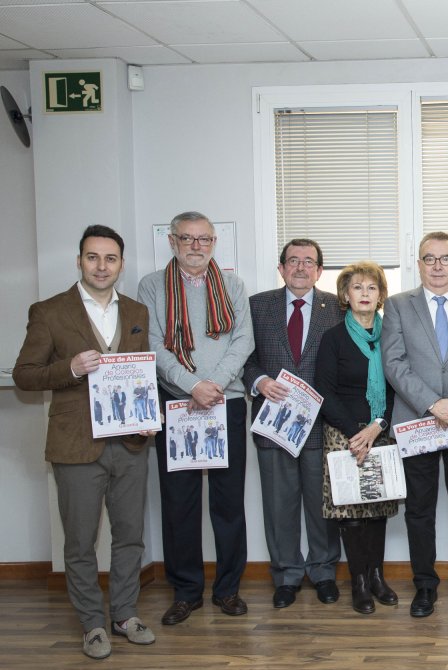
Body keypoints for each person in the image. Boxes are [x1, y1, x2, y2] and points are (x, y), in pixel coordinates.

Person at [13, 226, 156, 659]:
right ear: (79, 261)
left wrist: (147, 414)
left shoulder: (136, 310)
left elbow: (139, 373)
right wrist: (70, 368)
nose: (101, 266)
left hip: (131, 443)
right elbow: (25, 375)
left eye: (110, 259)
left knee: (130, 536)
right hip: (76, 446)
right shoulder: (50, 311)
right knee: (79, 541)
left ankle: (125, 614)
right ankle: (93, 624)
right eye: (92, 258)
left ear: (121, 264)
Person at [137, 211, 254, 626]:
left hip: (228, 402)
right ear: (172, 242)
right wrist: (192, 387)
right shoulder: (151, 286)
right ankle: (186, 592)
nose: (196, 246)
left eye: (204, 239)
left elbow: (244, 341)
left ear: (213, 243)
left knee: (228, 503)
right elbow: (152, 345)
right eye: (187, 238)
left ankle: (228, 590)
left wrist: (214, 385)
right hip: (177, 406)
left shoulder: (234, 286)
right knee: (179, 503)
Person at [382, 232, 448, 618]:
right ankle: (424, 585)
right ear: (419, 264)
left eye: (446, 259)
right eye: (430, 259)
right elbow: (394, 364)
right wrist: (432, 403)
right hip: (416, 422)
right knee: (419, 510)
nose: (438, 266)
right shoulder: (396, 306)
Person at [243, 239, 343, 609]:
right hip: (274, 425)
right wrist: (259, 382)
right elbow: (246, 358)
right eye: (293, 261)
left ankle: (323, 572)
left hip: (321, 425)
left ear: (319, 270)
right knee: (279, 504)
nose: (301, 268)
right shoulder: (257, 306)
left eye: (309, 262)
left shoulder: (336, 306)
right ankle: (286, 575)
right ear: (281, 267)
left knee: (322, 506)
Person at [314, 262, 397, 615]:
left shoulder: (392, 334)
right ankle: (359, 582)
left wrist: (377, 426)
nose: (365, 293)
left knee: (377, 511)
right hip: (343, 435)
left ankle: (378, 577)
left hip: (380, 431)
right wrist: (356, 433)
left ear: (380, 295)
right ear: (345, 295)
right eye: (357, 287)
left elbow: (397, 386)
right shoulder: (333, 338)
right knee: (352, 513)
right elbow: (325, 391)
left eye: (371, 288)